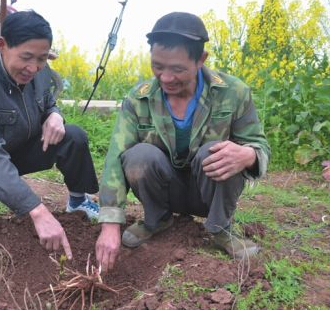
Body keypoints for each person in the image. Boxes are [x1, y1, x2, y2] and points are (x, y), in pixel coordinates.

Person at [95, 12, 270, 271]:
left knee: (216, 151)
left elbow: (258, 144)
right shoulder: (139, 98)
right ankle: (157, 220)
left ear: (201, 60)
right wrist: (110, 223)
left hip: (209, 190)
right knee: (139, 155)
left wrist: (248, 155)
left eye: (177, 69)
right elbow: (115, 156)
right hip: (163, 191)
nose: (165, 78)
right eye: (157, 66)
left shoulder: (234, 93)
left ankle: (221, 229)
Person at [0, 10, 100, 260]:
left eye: (42, 58)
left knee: (73, 136)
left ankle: (78, 201)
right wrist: (37, 211)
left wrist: (55, 114)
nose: (33, 67)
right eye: (26, 58)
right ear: (3, 45)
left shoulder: (36, 68)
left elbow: (46, 101)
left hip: (15, 143)